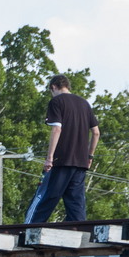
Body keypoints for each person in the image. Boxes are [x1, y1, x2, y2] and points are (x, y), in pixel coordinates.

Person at [25, 74, 100, 223]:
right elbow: (96, 132)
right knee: (76, 204)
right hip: (80, 162)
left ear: (53, 87)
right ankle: (78, 232)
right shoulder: (84, 103)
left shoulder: (56, 101)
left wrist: (49, 158)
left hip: (61, 160)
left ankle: (28, 230)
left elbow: (57, 129)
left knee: (45, 198)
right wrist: (89, 156)